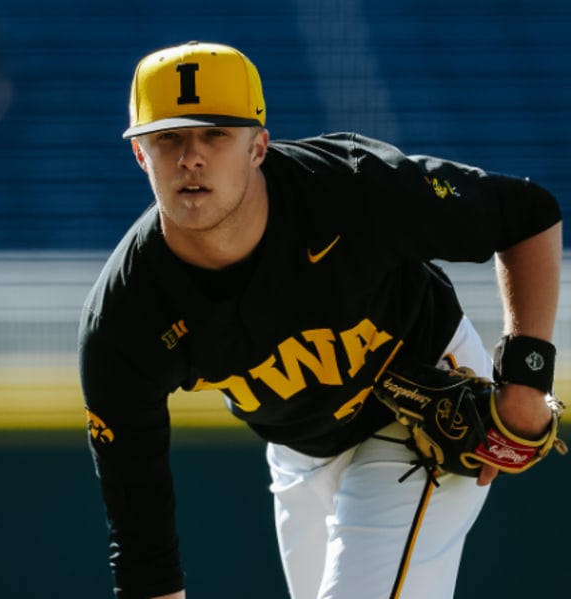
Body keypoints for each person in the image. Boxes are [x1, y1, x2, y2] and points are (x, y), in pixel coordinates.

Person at [78, 41, 562, 599]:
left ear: (258, 146)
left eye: (215, 133)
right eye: (168, 137)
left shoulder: (351, 188)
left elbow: (528, 213)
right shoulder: (123, 320)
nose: (191, 156)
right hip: (298, 453)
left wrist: (526, 382)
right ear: (141, 155)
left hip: (423, 410)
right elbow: (144, 553)